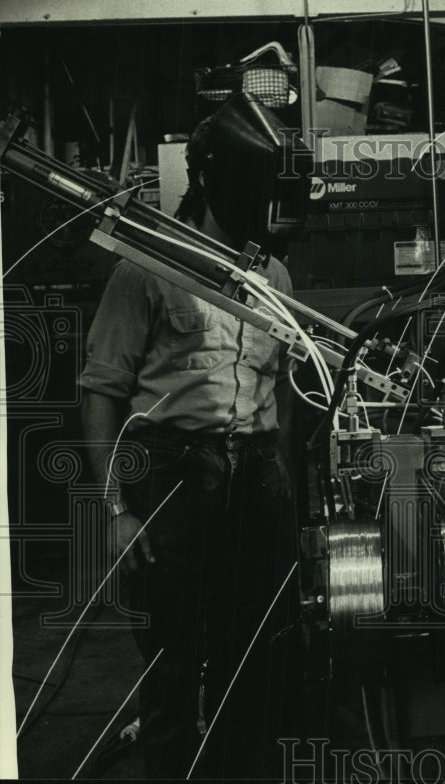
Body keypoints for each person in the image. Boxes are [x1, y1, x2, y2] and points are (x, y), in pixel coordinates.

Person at [79, 95, 305, 779]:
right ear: (211, 178)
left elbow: (284, 391)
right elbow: (101, 390)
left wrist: (281, 484)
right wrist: (117, 509)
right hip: (176, 476)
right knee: (174, 655)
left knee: (253, 653)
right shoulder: (144, 268)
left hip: (255, 475)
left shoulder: (274, 279)